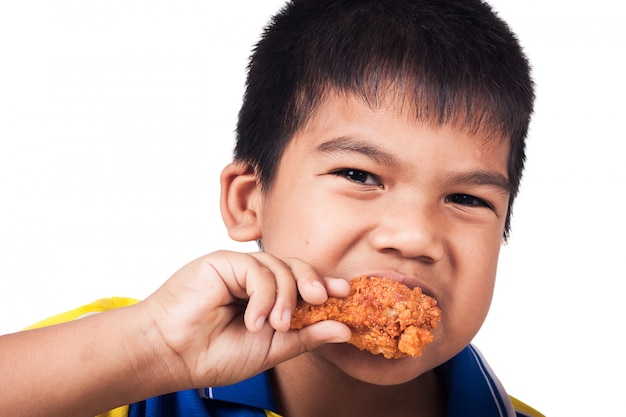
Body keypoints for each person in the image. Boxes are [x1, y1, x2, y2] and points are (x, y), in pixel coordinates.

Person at [0, 0, 543, 416]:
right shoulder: (123, 361)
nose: (413, 236)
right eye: (358, 175)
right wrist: (155, 352)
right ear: (248, 201)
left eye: (467, 198)